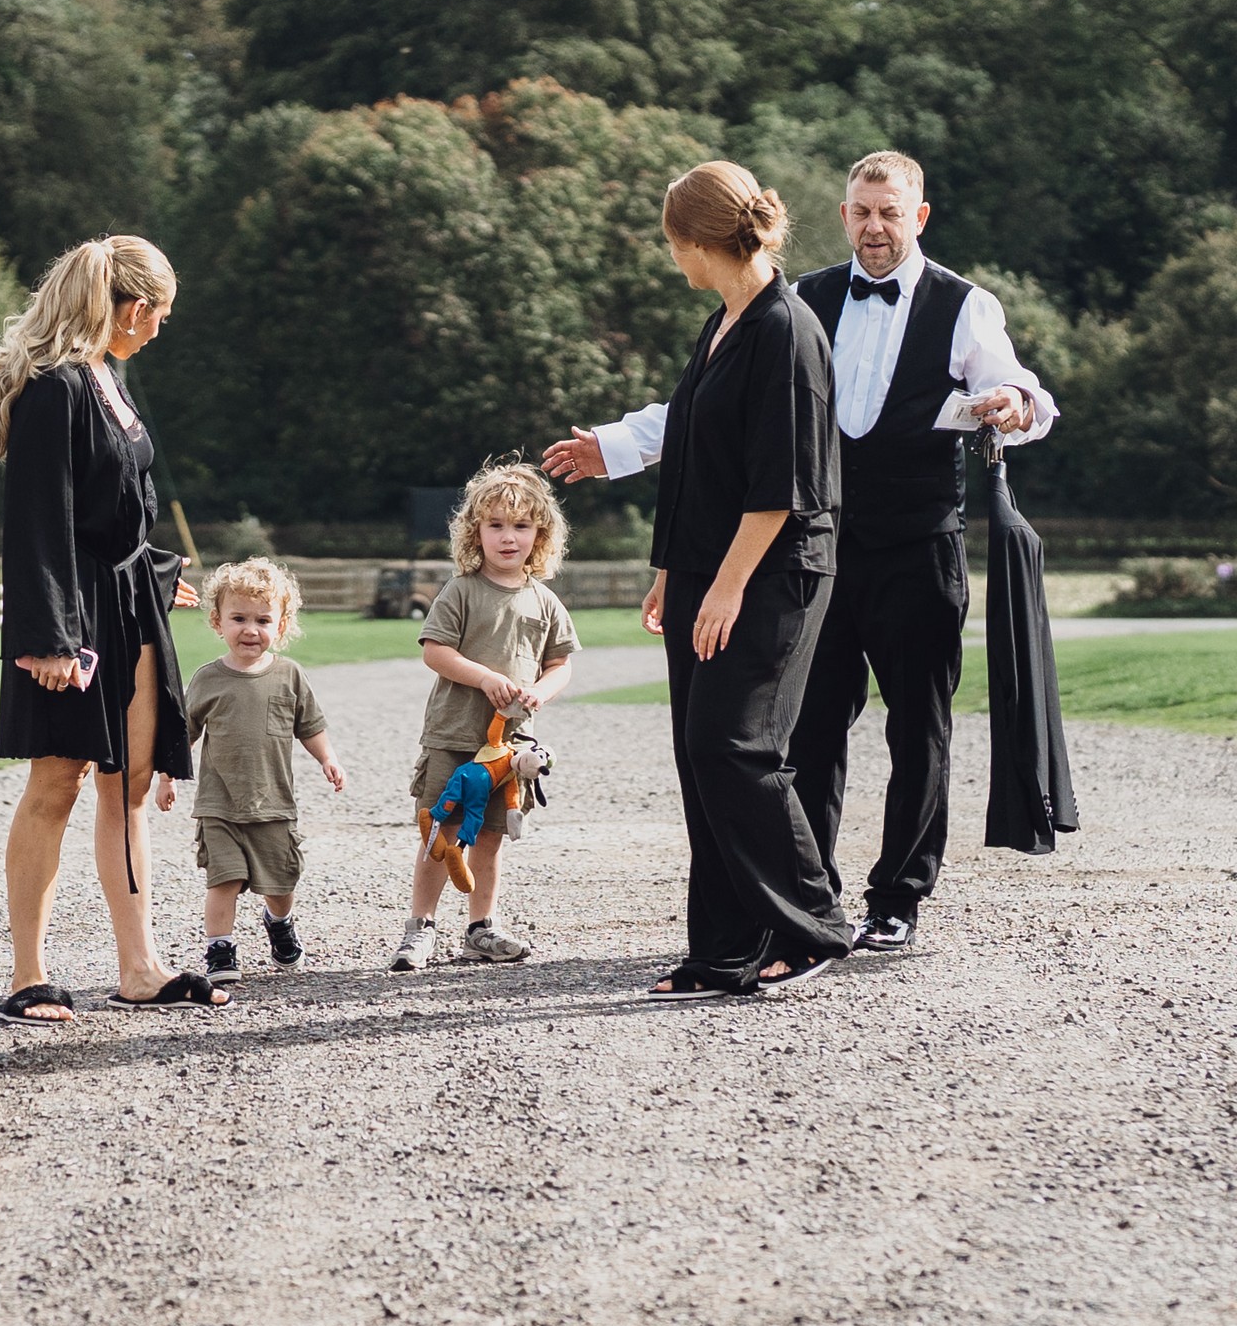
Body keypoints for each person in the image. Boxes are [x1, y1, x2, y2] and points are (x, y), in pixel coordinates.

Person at [545, 148, 1056, 955]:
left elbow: (1027, 393)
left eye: (890, 213)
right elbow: (708, 412)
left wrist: (1014, 405)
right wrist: (611, 446)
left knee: (918, 729)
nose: (874, 227)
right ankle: (806, 901)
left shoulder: (965, 305)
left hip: (918, 549)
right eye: (862, 212)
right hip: (818, 556)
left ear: (919, 217)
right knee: (809, 728)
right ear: (843, 214)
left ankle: (899, 896)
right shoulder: (801, 300)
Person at [0, 234, 227, 1024]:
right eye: (159, 316)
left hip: (128, 605)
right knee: (57, 784)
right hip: (73, 617)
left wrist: (155, 570)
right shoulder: (54, 390)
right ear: (134, 308)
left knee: (128, 784)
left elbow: (113, 506)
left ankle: (140, 968)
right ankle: (28, 975)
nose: (158, 331)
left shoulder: (106, 380)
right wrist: (48, 637)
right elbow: (39, 521)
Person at [636, 161, 850, 1001]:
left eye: (672, 243)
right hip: (704, 568)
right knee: (701, 756)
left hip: (770, 575)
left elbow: (781, 487)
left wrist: (724, 588)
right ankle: (724, 950)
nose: (672, 258)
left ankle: (813, 925)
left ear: (696, 241)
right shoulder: (724, 322)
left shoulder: (786, 332)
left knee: (737, 747)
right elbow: (693, 460)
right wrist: (671, 571)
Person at [392, 461, 578, 972]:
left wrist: (540, 691)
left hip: (509, 749)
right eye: (495, 525)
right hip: (454, 734)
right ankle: (420, 927)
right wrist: (483, 678)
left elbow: (561, 665)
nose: (508, 537)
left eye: (520, 526)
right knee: (440, 831)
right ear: (476, 531)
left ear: (540, 535)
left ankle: (481, 928)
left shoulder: (545, 601)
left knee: (491, 836)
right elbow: (435, 651)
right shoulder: (461, 590)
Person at [182, 557, 346, 983]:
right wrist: (167, 777)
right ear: (217, 622)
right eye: (238, 618)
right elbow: (184, 734)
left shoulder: (289, 676)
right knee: (223, 879)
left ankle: (279, 921)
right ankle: (220, 949)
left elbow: (310, 726)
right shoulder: (207, 679)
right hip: (219, 804)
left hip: (273, 804)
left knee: (281, 882)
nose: (250, 630)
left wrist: (327, 758)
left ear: (281, 625)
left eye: (262, 620)